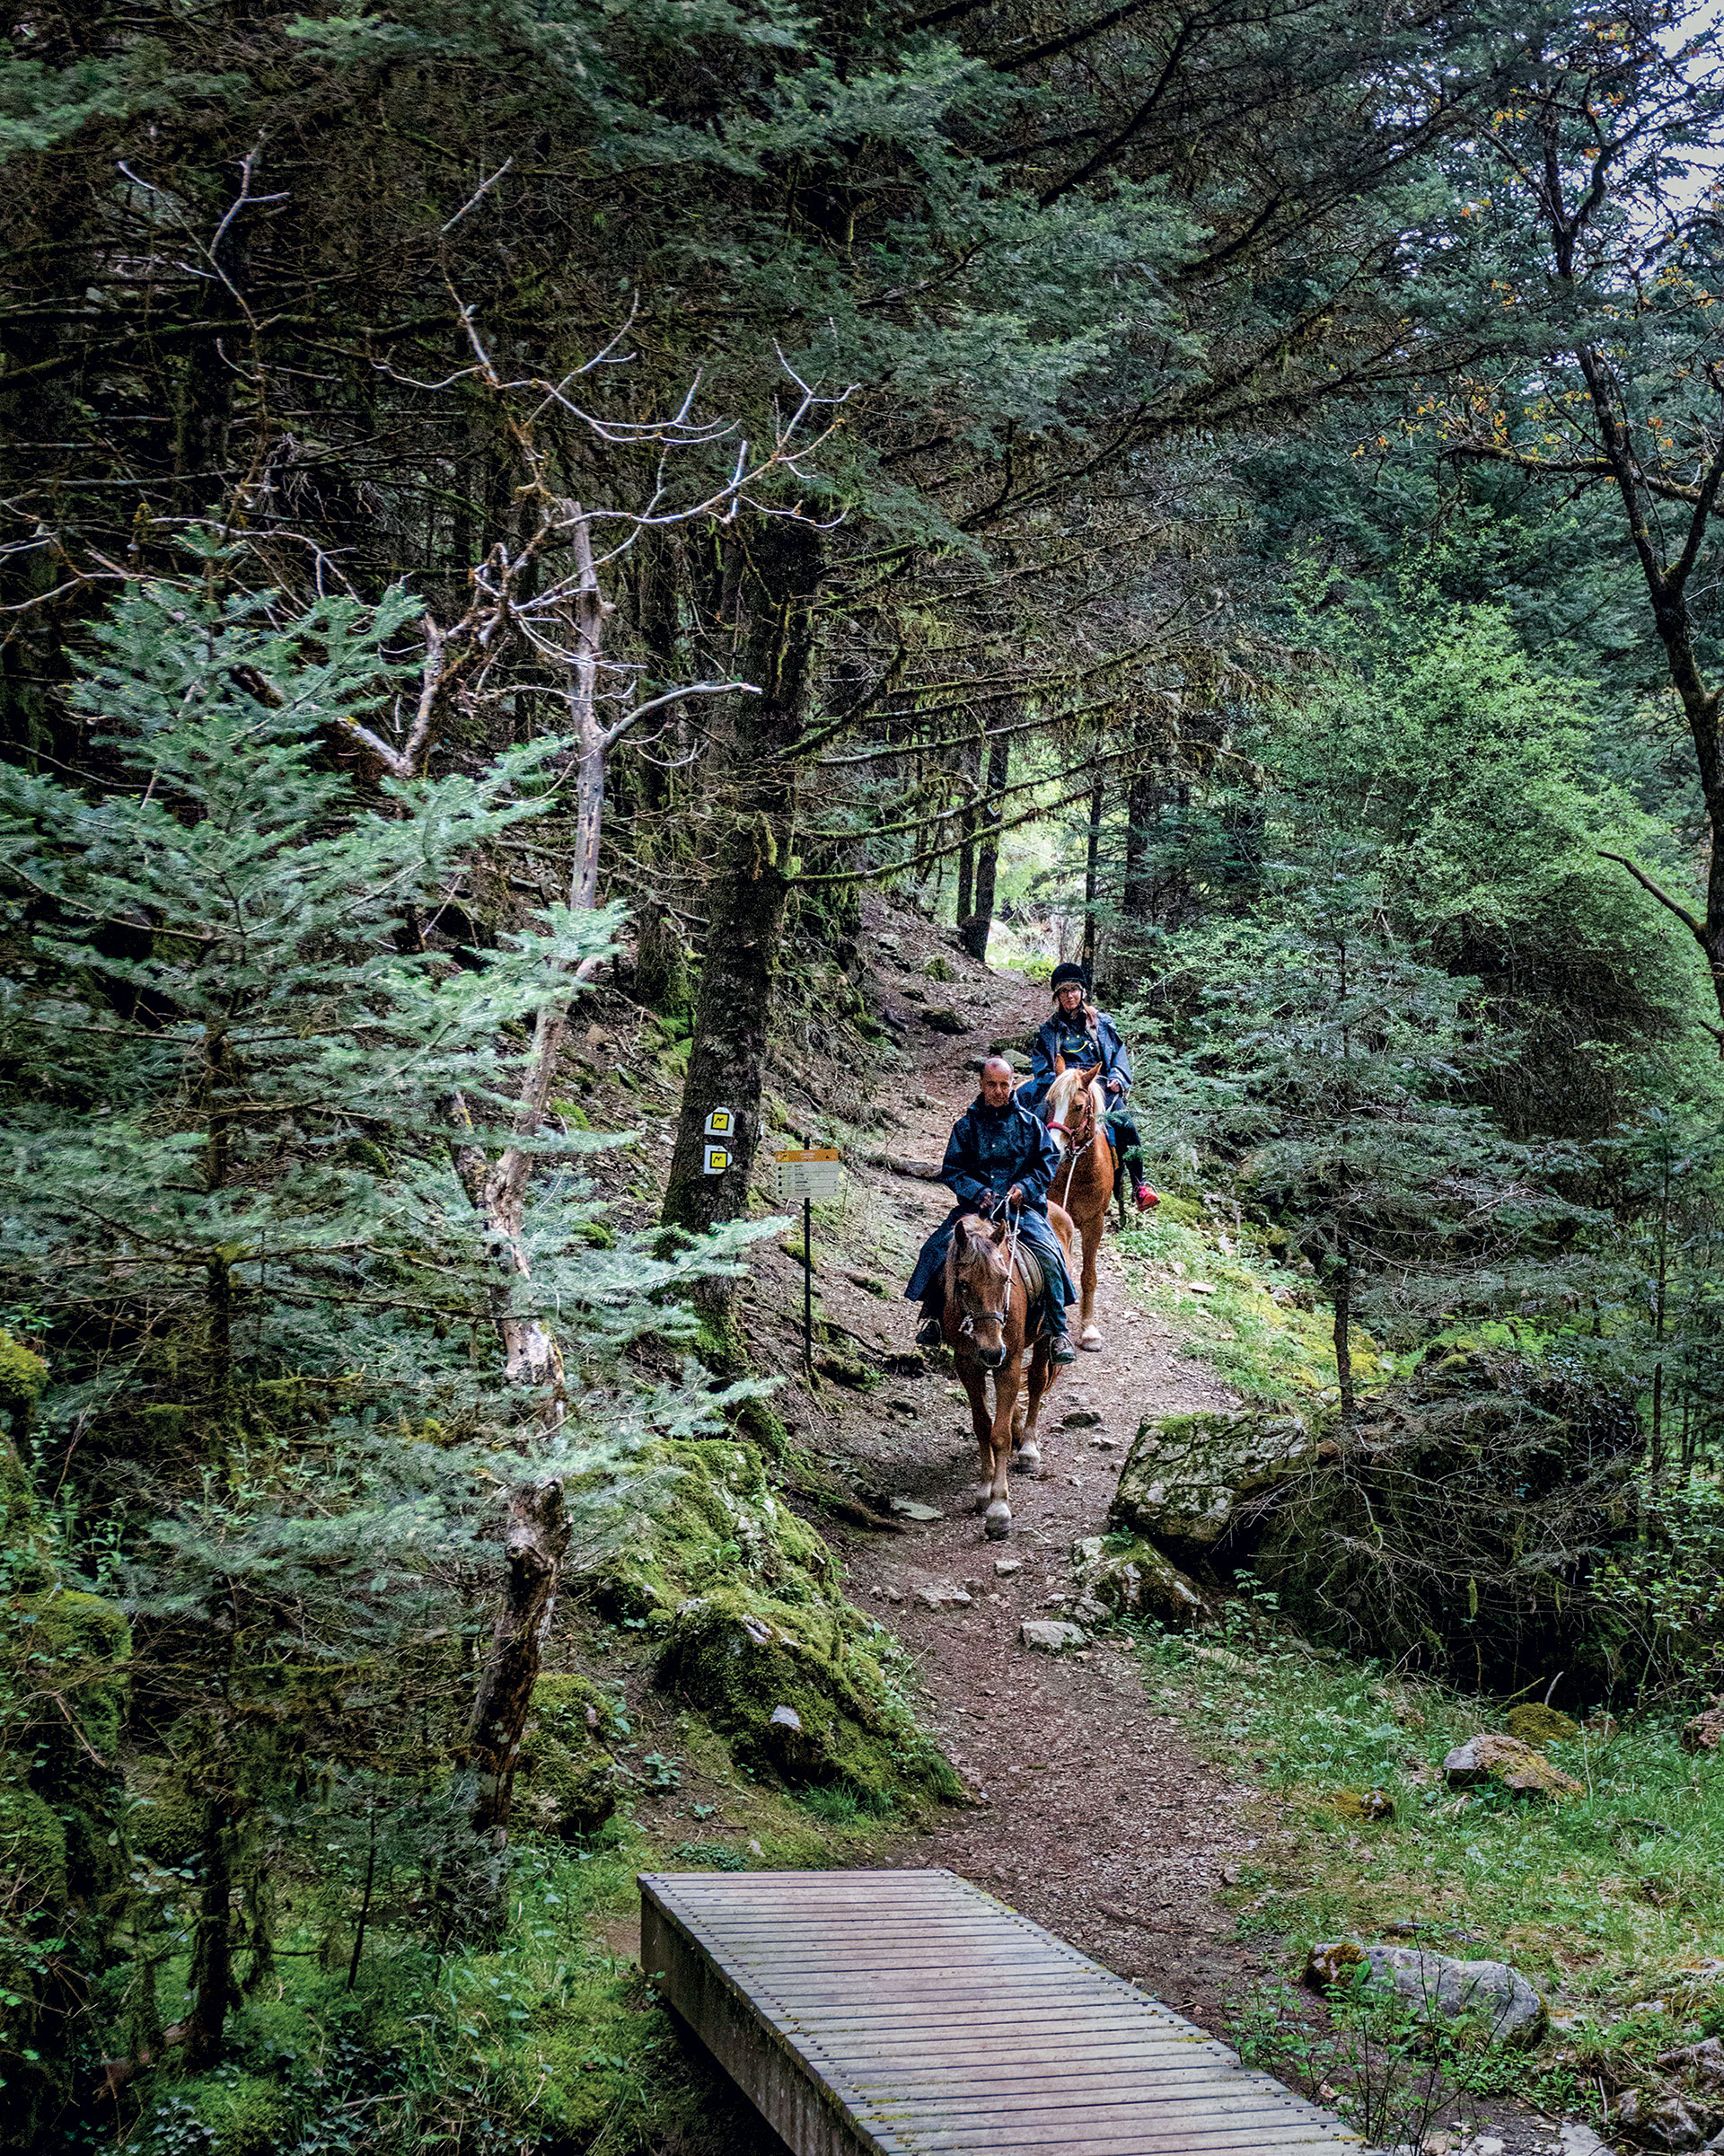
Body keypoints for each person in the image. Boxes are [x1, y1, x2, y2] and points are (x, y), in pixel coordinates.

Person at [905, 1056, 1078, 1362]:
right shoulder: (966, 1126)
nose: (999, 1091)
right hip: (976, 1211)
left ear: (1012, 1085)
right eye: (992, 1085)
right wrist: (978, 1191)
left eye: (1004, 1085)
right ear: (982, 1085)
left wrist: (1024, 1188)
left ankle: (1057, 1331)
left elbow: (1047, 1164)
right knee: (935, 1249)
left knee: (1050, 1255)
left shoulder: (1031, 1124)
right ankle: (932, 1317)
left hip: (1022, 1211)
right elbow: (952, 1170)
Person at [1023, 962, 1157, 1211]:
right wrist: (1056, 1083)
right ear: (1057, 997)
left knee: (1126, 1124)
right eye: (1063, 991)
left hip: (1099, 1085)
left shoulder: (1103, 1024)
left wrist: (1118, 1076)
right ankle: (1023, 1178)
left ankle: (1140, 1186)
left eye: (1073, 989)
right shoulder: (1048, 1031)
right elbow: (1041, 1066)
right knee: (1031, 1114)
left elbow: (1118, 1054)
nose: (1069, 995)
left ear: (1082, 991)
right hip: (1063, 1087)